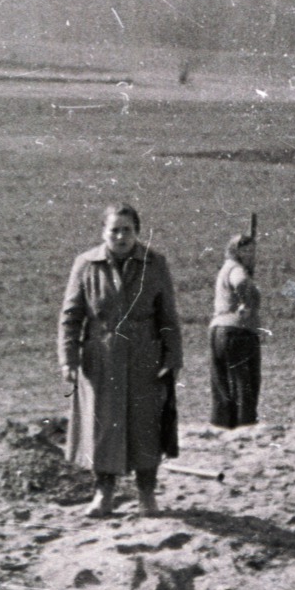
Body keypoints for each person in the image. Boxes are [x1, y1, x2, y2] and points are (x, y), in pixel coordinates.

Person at [59, 204, 183, 517]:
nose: (121, 236)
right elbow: (70, 317)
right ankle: (104, 494)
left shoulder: (155, 264)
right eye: (114, 229)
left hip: (145, 357)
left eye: (127, 229)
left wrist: (172, 357)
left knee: (146, 426)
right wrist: (68, 359)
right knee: (103, 427)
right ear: (104, 232)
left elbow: (168, 316)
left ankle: (146, 494)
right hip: (101, 358)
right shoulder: (86, 265)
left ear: (137, 232)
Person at [209, 232, 261, 428]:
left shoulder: (226, 267)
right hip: (238, 331)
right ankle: (245, 424)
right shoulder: (236, 269)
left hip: (217, 329)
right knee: (245, 383)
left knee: (221, 382)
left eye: (253, 251)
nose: (251, 255)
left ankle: (221, 423)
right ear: (236, 251)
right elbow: (241, 283)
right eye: (246, 250)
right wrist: (249, 302)